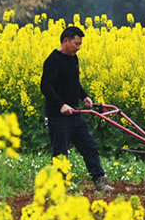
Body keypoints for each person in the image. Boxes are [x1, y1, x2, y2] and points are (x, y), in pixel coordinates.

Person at [40, 25, 112, 192]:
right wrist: (61, 105)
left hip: (75, 113)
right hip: (58, 116)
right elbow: (46, 86)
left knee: (89, 146)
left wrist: (84, 97)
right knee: (61, 153)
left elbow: (74, 82)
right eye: (76, 44)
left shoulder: (73, 58)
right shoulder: (53, 60)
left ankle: (100, 181)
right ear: (66, 41)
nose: (78, 48)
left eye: (80, 44)